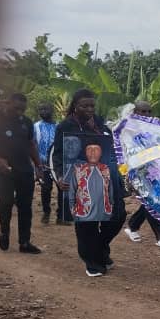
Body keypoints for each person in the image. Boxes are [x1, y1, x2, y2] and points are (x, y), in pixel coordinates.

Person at [53, 89, 127, 275]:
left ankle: (100, 249)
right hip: (81, 179)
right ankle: (92, 262)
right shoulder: (66, 126)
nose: (89, 109)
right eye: (84, 105)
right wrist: (60, 176)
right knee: (87, 222)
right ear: (75, 106)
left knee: (118, 216)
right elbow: (58, 154)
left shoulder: (101, 123)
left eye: (92, 105)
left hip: (106, 178)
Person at [0, 93, 42, 254]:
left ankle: (24, 242)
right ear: (7, 103)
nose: (19, 112)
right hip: (4, 170)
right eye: (16, 108)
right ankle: (4, 232)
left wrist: (39, 166)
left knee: (25, 206)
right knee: (6, 201)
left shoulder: (26, 122)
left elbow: (31, 144)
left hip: (25, 170)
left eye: (22, 109)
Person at [123, 101, 160, 247]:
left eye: (149, 111)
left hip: (155, 170)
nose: (147, 115)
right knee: (151, 199)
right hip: (137, 170)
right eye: (143, 112)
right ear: (134, 113)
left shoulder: (154, 129)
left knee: (152, 199)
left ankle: (132, 225)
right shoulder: (126, 130)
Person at [63, 144, 116, 276]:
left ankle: (101, 258)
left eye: (96, 149)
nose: (93, 152)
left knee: (100, 234)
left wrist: (112, 204)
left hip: (104, 209)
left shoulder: (106, 169)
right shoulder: (78, 170)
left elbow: (110, 190)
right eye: (89, 150)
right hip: (83, 210)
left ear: (101, 152)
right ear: (85, 153)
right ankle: (92, 265)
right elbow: (72, 190)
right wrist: (72, 207)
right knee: (86, 236)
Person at [34, 103, 70, 225]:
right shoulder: (36, 127)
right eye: (41, 109)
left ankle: (61, 217)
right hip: (43, 164)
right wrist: (36, 164)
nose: (43, 111)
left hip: (58, 164)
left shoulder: (59, 126)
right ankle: (46, 213)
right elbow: (33, 144)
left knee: (62, 189)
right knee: (45, 189)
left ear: (52, 110)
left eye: (46, 108)